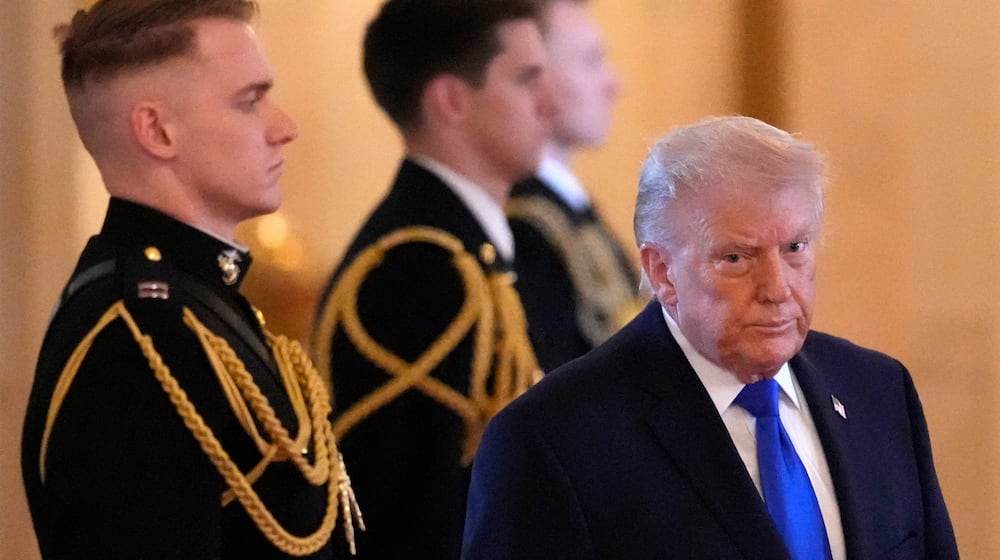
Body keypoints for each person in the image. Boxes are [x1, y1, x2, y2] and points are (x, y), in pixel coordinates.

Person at [463, 116, 959, 559]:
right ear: (662, 271)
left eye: (795, 247)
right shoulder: (553, 441)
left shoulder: (879, 392)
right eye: (736, 259)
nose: (777, 289)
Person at [20, 2, 361, 558]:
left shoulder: (202, 308)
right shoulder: (137, 341)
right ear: (157, 130)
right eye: (250, 101)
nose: (285, 127)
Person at [310, 0, 555, 557]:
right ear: (451, 100)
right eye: (526, 80)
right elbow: (417, 512)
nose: (552, 104)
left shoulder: (468, 247)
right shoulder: (420, 265)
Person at [508, 0, 643, 372]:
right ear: (537, 78)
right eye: (591, 61)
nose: (614, 84)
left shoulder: (567, 210)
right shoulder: (528, 225)